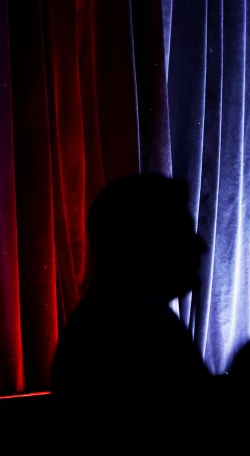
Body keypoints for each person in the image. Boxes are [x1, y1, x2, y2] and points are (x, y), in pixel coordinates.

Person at [49, 172, 216, 442]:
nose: (201, 246)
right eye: (183, 232)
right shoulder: (136, 330)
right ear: (146, 243)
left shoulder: (119, 318)